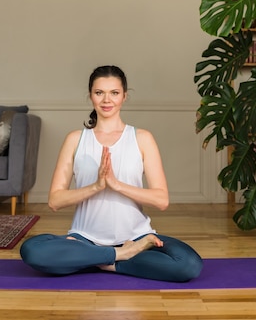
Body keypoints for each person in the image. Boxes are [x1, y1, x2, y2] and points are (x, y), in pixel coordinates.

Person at [20, 65, 203, 282]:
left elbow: (161, 200)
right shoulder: (75, 139)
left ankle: (97, 261)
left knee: (188, 264)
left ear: (124, 96)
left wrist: (116, 184)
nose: (107, 100)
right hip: (84, 239)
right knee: (32, 249)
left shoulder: (142, 138)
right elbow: (55, 201)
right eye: (99, 93)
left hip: (137, 237)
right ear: (91, 96)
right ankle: (117, 257)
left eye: (114, 93)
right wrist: (96, 186)